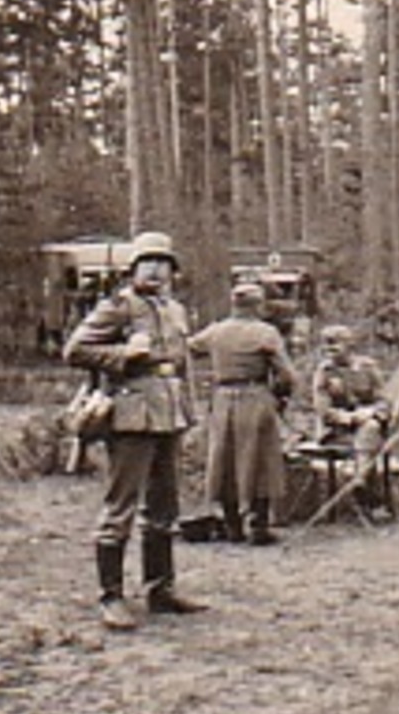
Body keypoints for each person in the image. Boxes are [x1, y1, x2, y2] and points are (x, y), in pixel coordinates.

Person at [65, 231, 207, 631]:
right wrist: (124, 354)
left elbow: (183, 367)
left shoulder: (176, 310)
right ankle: (110, 596)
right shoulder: (118, 307)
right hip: (130, 414)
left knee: (164, 506)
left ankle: (160, 590)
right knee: (121, 505)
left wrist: (189, 411)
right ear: (133, 269)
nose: (157, 270)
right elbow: (75, 350)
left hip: (170, 413)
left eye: (164, 263)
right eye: (148, 262)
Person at [189, 282, 297, 548]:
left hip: (223, 399)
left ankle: (232, 526)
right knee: (261, 460)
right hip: (255, 397)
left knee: (224, 460)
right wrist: (280, 395)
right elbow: (287, 375)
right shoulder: (265, 333)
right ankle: (258, 526)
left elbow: (188, 348)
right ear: (257, 306)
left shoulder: (216, 331)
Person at [311, 323, 392, 520]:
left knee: (370, 428)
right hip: (337, 432)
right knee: (369, 433)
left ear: (350, 345)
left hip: (368, 425)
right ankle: (366, 488)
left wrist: (370, 412)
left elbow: (386, 401)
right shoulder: (324, 373)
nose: (330, 351)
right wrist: (348, 418)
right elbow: (322, 409)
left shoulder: (368, 368)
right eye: (326, 346)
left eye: (335, 345)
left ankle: (360, 480)